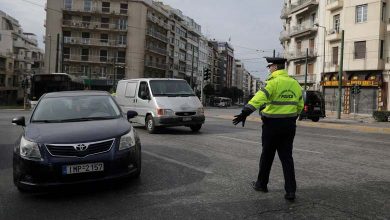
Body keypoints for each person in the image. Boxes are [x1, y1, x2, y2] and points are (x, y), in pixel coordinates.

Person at [232, 57, 304, 201]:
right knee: (287, 158)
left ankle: (261, 184)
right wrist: (290, 118)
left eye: (269, 66)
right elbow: (300, 105)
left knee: (267, 156)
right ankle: (290, 191)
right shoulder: (295, 84)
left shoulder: (273, 83)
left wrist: (245, 112)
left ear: (275, 67)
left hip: (272, 126)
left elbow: (258, 99)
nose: (269, 69)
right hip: (289, 126)